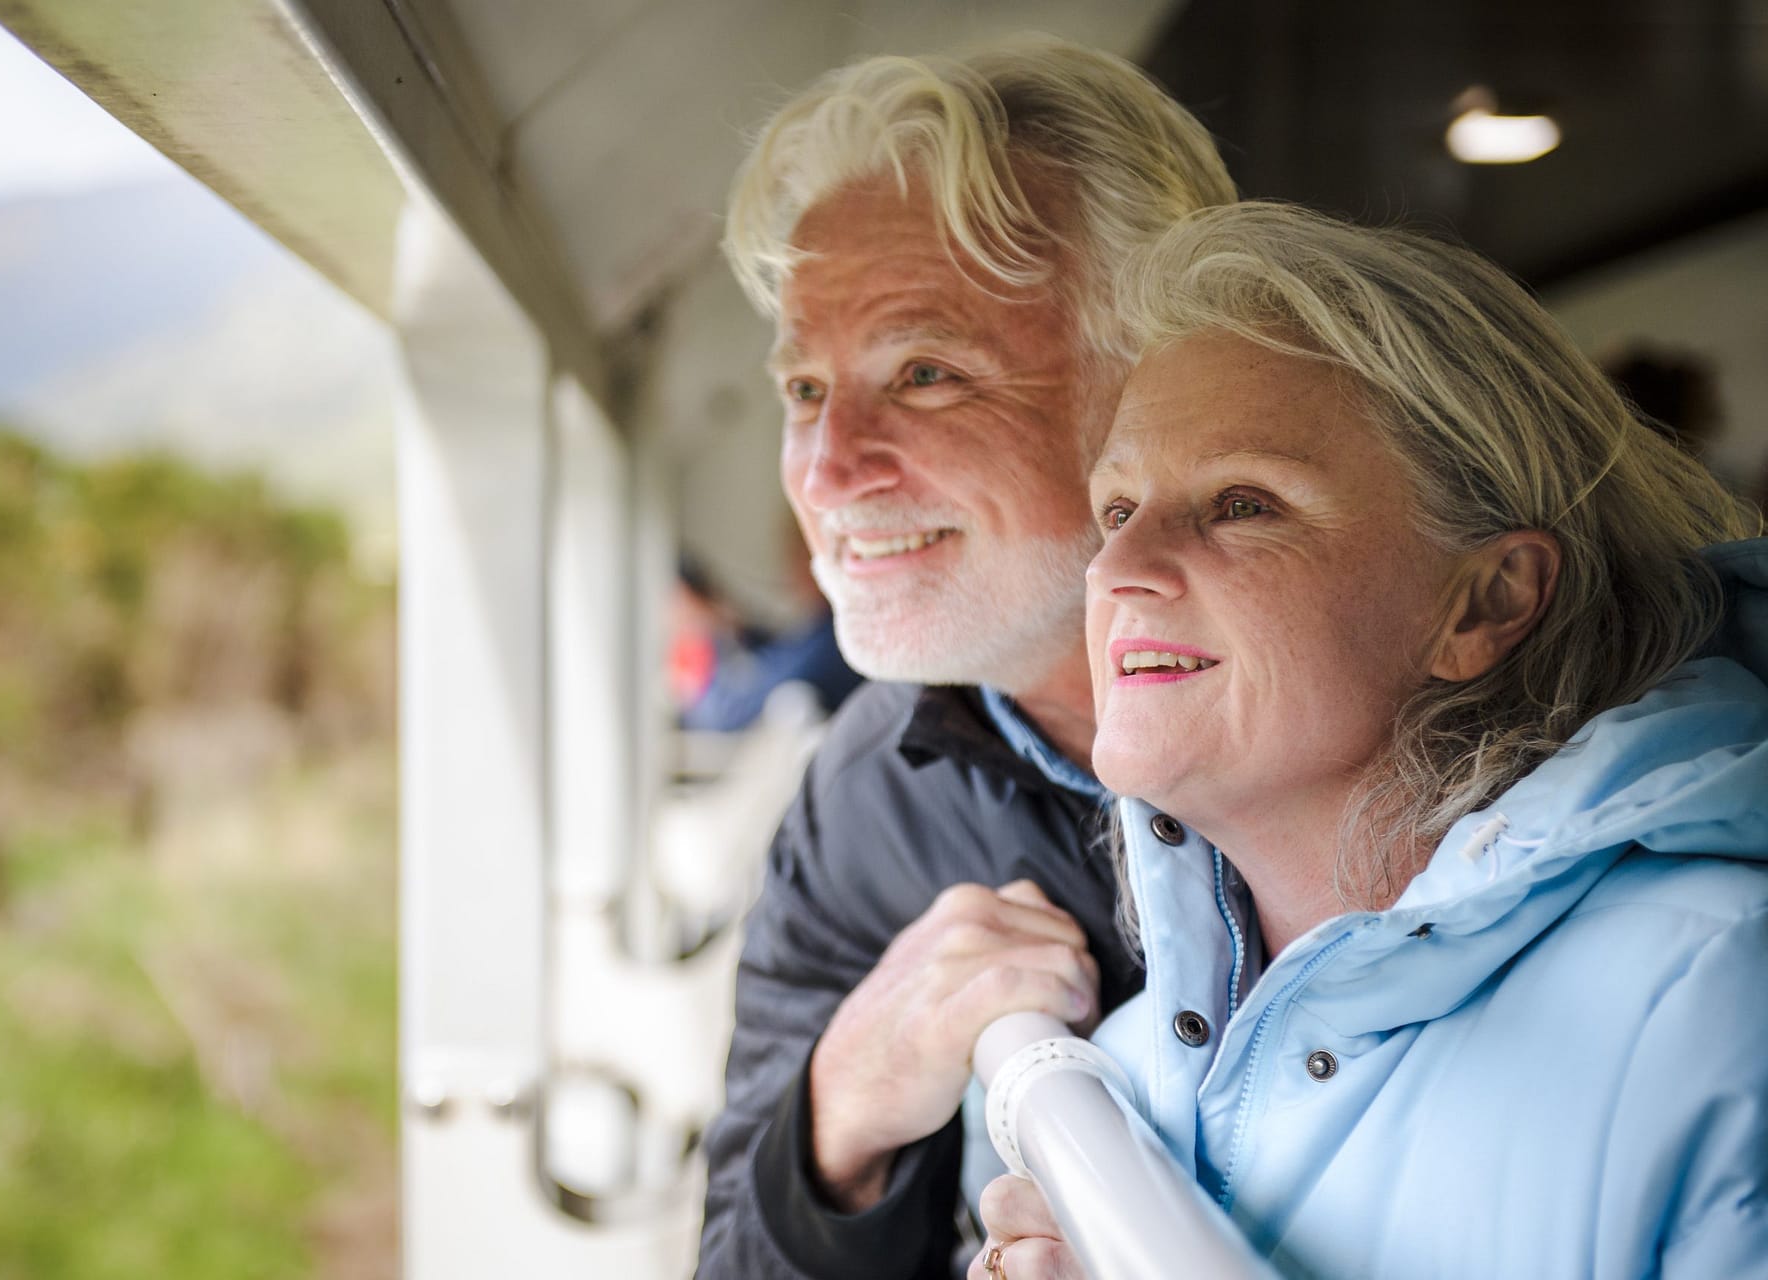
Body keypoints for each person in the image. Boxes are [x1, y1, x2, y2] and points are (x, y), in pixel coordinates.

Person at [974, 202, 1768, 1277]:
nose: (1119, 570)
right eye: (1117, 510)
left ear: (1485, 601)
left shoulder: (1721, 1007)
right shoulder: (1124, 1074)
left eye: (1241, 503)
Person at [698, 38, 1235, 1279]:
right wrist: (844, 1107)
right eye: (803, 388)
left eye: (924, 373)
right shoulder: (869, 791)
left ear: (1158, 378)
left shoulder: (1409, 721)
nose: (826, 474)